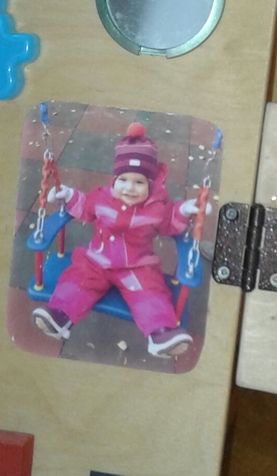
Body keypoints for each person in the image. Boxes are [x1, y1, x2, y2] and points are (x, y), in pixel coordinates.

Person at [32, 122, 208, 358]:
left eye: (139, 182)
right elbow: (85, 207)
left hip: (137, 266)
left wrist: (185, 210)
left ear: (151, 184)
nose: (129, 188)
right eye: (123, 180)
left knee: (150, 293)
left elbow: (170, 223)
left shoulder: (156, 209)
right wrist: (69, 195)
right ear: (114, 180)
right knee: (77, 280)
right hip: (97, 261)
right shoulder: (102, 199)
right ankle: (59, 316)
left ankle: (161, 334)